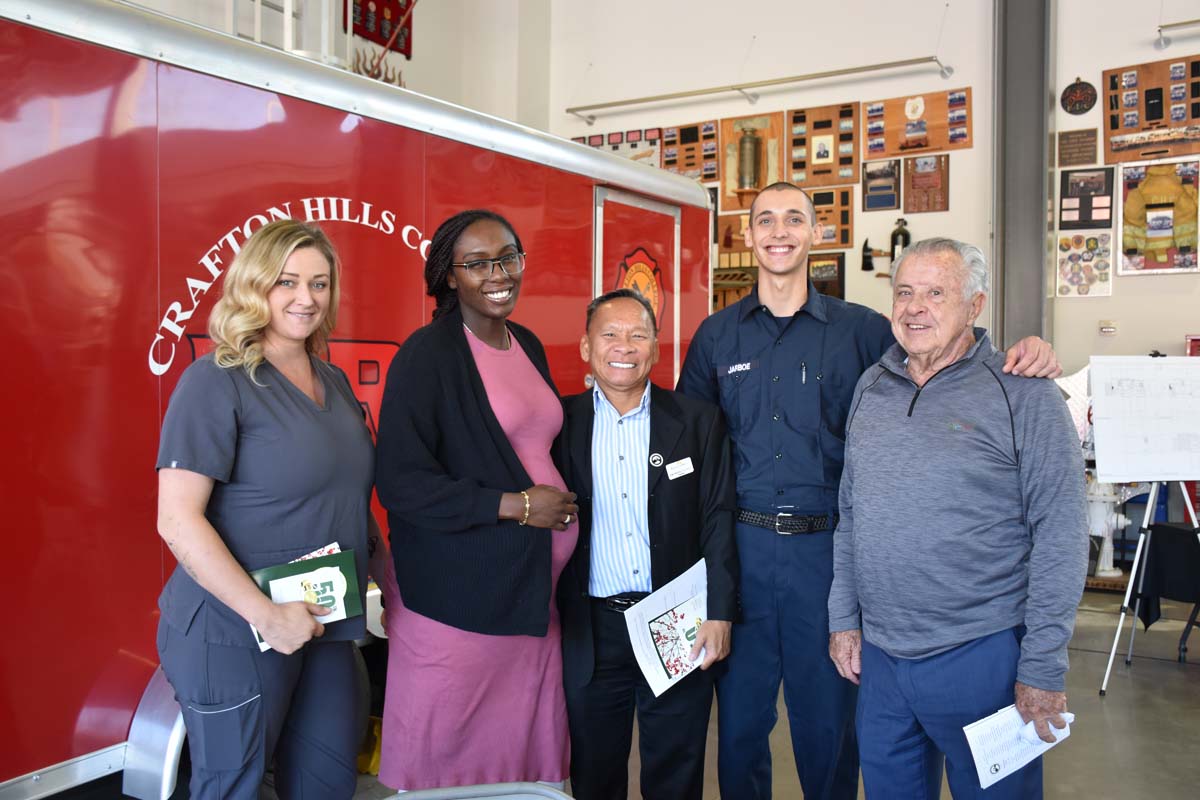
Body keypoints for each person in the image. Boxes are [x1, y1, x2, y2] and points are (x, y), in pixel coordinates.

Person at [675, 181, 1063, 799]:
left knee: (828, 729)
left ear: (816, 234)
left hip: (827, 556)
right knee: (741, 728)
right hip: (741, 553)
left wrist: (1028, 348)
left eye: (794, 219)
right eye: (765, 220)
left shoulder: (861, 331)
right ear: (747, 235)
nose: (779, 231)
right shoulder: (716, 337)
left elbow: (942, 355)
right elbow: (686, 447)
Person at [827, 238, 1088, 799]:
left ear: (975, 306)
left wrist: (1042, 664)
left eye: (936, 293)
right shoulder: (871, 388)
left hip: (983, 654)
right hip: (882, 660)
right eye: (904, 292)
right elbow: (851, 515)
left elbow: (1061, 533)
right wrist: (843, 618)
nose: (914, 307)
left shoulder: (1025, 394)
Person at [155, 219, 386, 799]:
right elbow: (178, 519)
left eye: (319, 283)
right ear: (253, 286)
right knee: (234, 785)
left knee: (329, 783)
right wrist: (265, 614)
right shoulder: (215, 381)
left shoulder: (331, 381)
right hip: (233, 630)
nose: (306, 298)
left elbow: (349, 500)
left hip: (326, 623)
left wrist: (397, 593)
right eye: (286, 282)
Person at [374, 209, 579, 791]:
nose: (499, 274)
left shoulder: (528, 344)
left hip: (532, 599)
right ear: (448, 275)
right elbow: (402, 483)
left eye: (509, 257)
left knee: (520, 764)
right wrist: (515, 506)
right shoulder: (427, 355)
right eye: (478, 263)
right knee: (449, 762)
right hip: (458, 606)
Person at [556, 289, 738, 800]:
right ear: (586, 348)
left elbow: (718, 521)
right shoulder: (558, 424)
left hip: (676, 619)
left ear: (656, 349)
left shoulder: (697, 422)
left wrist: (720, 613)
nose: (624, 346)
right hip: (591, 625)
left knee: (676, 769)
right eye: (609, 334)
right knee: (594, 769)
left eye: (638, 335)